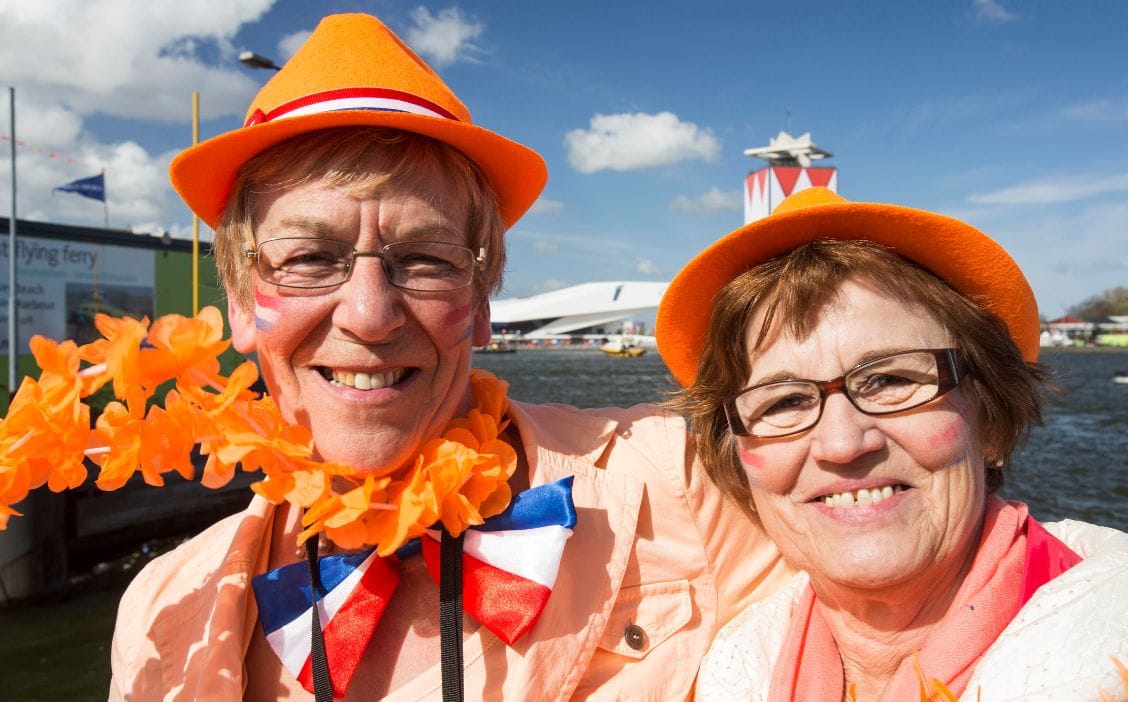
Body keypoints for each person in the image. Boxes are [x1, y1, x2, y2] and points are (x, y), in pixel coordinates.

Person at [106, 13, 792, 701]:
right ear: (239, 302)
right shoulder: (163, 612)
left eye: (426, 260)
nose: (369, 314)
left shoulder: (683, 484)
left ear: (482, 300)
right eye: (310, 258)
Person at [656, 187, 1128, 700]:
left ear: (990, 420)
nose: (842, 444)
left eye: (890, 380)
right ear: (738, 460)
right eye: (784, 402)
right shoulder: (739, 667)